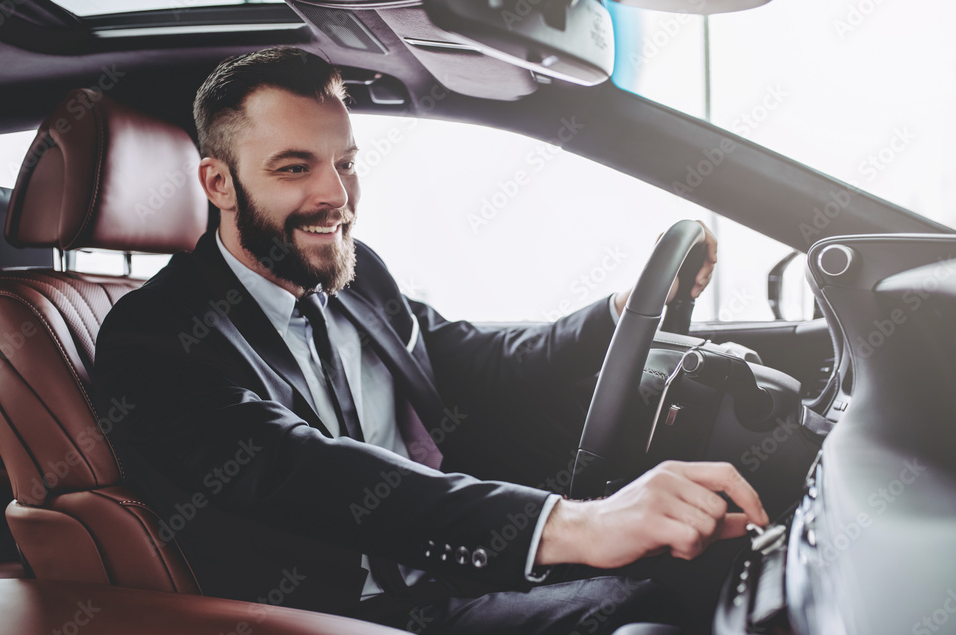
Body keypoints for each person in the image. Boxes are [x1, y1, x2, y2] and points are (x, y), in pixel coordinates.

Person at [93, 46, 768, 634]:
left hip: (454, 575)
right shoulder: (153, 339)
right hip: (343, 617)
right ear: (219, 183)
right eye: (295, 168)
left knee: (708, 569)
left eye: (346, 162)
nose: (338, 196)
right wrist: (577, 525)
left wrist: (622, 310)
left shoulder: (355, 277)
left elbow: (477, 357)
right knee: (659, 606)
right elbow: (309, 470)